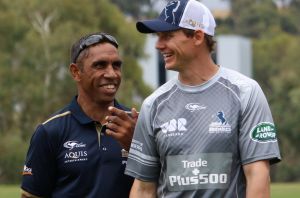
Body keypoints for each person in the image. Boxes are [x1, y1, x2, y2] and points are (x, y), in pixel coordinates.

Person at [125, 0, 281, 197]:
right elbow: (143, 188)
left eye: (167, 36)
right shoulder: (153, 104)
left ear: (198, 36)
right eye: (158, 37)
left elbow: (257, 175)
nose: (158, 45)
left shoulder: (245, 92)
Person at [21, 32, 138, 198]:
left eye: (116, 65)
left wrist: (137, 147)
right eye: (100, 65)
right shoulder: (49, 131)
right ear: (76, 72)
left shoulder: (137, 124)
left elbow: (164, 185)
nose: (112, 74)